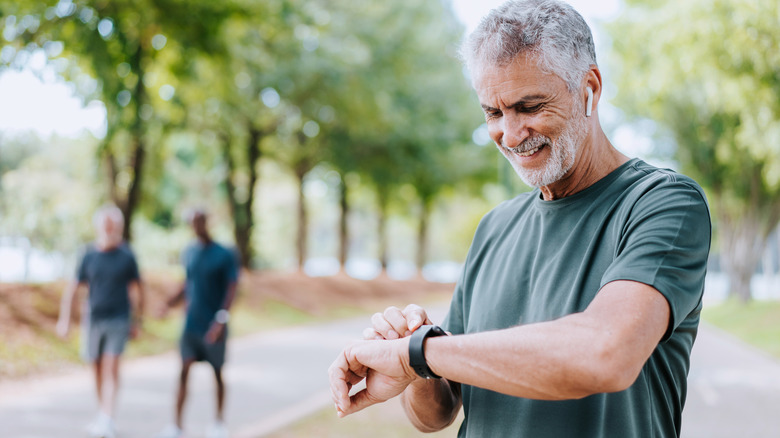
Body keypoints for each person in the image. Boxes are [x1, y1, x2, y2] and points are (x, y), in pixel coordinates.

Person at [328, 1, 712, 437]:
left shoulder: (662, 203)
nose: (510, 136)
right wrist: (413, 361)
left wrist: (421, 353)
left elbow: (605, 354)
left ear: (589, 88)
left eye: (529, 107)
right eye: (493, 112)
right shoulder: (494, 227)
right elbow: (435, 415)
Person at [57, 204, 145, 438]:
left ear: (118, 226)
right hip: (93, 318)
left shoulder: (127, 255)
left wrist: (137, 321)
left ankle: (108, 417)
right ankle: (102, 414)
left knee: (111, 366)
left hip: (119, 318)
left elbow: (137, 290)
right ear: (98, 227)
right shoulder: (88, 254)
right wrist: (65, 320)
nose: (108, 228)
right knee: (95, 367)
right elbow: (73, 289)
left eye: (112, 224)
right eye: (105, 224)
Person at [157, 209, 238, 438]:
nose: (195, 226)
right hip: (191, 323)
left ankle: (219, 424)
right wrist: (168, 303)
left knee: (217, 373)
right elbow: (188, 284)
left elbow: (232, 288)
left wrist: (221, 319)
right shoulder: (190, 252)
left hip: (214, 324)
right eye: (191, 223)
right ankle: (176, 426)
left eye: (198, 222)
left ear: (206, 222)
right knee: (183, 369)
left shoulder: (224, 254)